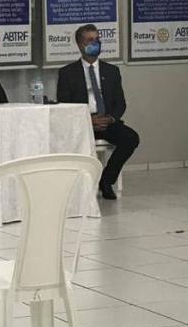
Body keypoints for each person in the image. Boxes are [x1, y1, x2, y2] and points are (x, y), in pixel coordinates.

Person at [57, 24, 139, 200]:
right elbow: (65, 106)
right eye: (90, 40)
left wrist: (110, 118)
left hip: (106, 122)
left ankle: (106, 181)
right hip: (82, 124)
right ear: (80, 45)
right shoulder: (67, 73)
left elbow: (120, 103)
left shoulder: (112, 71)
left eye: (97, 39)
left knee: (131, 138)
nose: (96, 43)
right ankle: (75, 187)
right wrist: (88, 120)